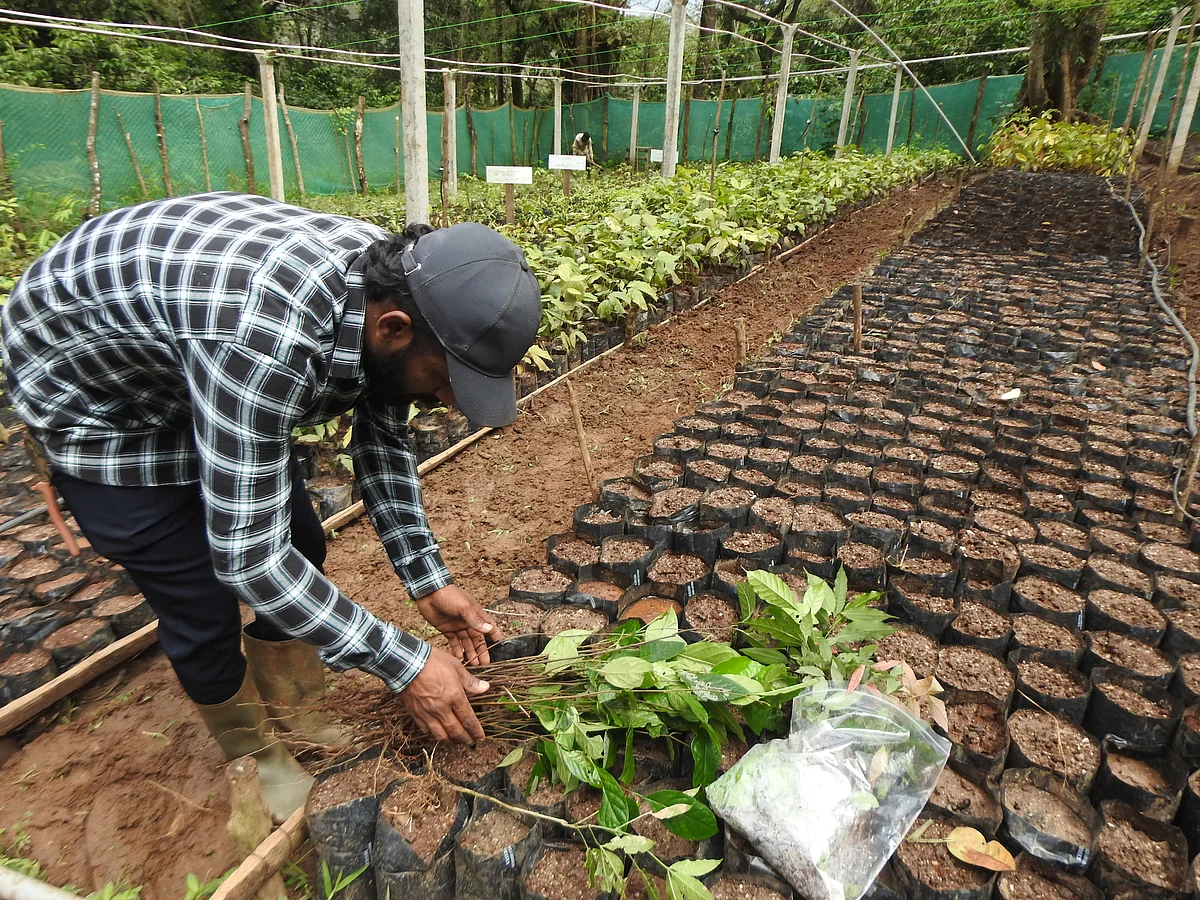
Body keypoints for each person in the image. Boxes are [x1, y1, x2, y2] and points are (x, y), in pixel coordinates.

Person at [1, 193, 542, 822]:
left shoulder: (398, 291)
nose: (449, 400)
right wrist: (408, 663)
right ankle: (257, 756)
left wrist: (429, 582)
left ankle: (299, 712)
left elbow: (382, 441)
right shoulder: (265, 339)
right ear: (391, 329)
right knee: (201, 599)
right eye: (445, 379)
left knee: (303, 546)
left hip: (197, 357)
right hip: (101, 402)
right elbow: (249, 559)